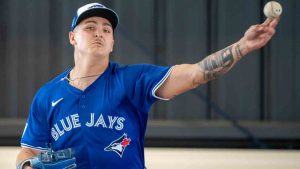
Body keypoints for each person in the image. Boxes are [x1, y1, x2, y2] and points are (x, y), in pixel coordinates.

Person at [16, 2, 280, 169]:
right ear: (73, 37)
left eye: (107, 29)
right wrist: (27, 166)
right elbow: (29, 149)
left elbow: (196, 73)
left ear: (112, 43)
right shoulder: (47, 95)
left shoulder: (132, 80)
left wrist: (243, 46)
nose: (100, 32)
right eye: (90, 27)